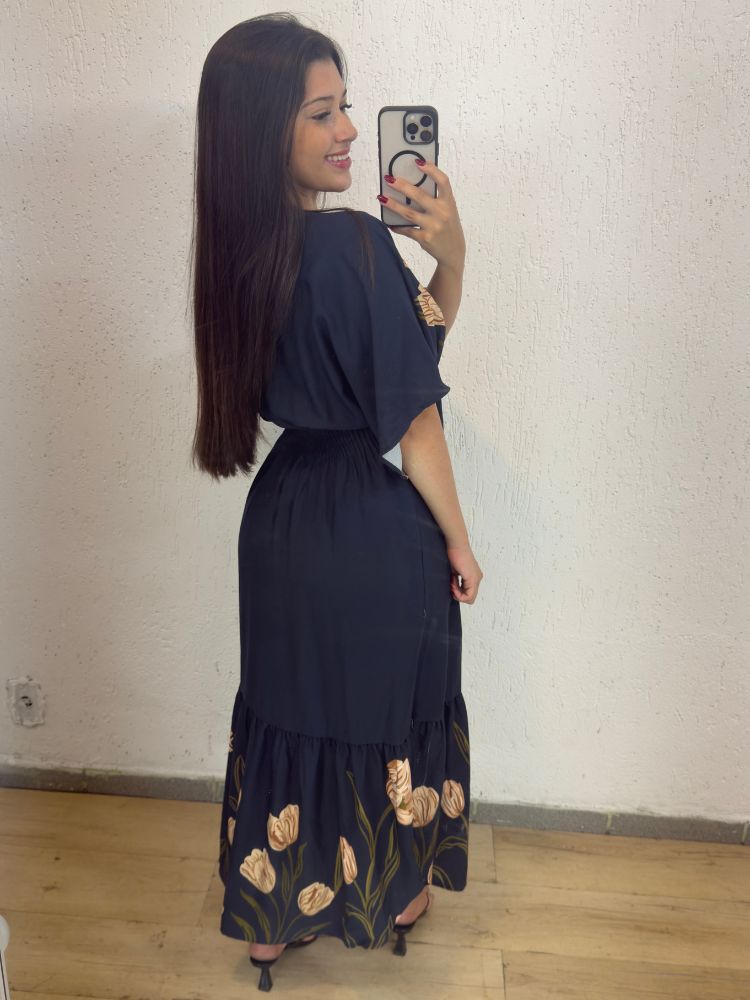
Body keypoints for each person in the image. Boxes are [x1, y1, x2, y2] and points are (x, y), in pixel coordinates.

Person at [191, 13, 483, 991]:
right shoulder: (352, 242)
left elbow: (402, 350)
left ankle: (272, 920)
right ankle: (393, 891)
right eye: (322, 112)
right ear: (262, 126)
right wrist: (461, 542)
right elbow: (414, 417)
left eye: (346, 107)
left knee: (292, 710)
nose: (351, 129)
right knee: (383, 708)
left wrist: (443, 263)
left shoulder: (235, 251)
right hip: (365, 523)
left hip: (280, 522)